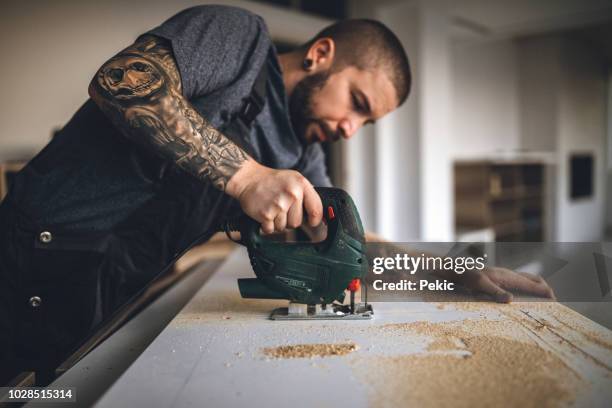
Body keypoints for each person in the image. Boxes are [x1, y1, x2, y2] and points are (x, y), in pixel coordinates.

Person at [0, 5, 553, 384]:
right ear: (321, 55)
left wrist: (448, 273)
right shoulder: (238, 41)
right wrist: (246, 178)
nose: (349, 129)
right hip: (32, 253)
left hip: (109, 290)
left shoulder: (300, 159)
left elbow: (346, 248)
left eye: (367, 123)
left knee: (50, 392)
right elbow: (124, 80)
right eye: (357, 102)